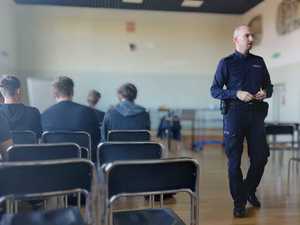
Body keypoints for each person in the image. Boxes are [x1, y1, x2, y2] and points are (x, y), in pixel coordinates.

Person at [210, 25, 273, 218]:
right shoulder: (226, 63)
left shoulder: (259, 62)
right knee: (234, 162)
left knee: (261, 157)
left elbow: (269, 86)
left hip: (256, 116)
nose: (251, 38)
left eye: (252, 35)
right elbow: (214, 90)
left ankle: (248, 190)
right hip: (234, 116)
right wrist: (236, 93)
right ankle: (239, 203)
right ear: (236, 39)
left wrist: (266, 92)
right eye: (247, 35)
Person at [42, 76, 100, 162]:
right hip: (82, 166)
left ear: (54, 94)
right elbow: (96, 140)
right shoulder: (88, 112)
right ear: (72, 92)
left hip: (53, 166)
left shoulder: (45, 114)